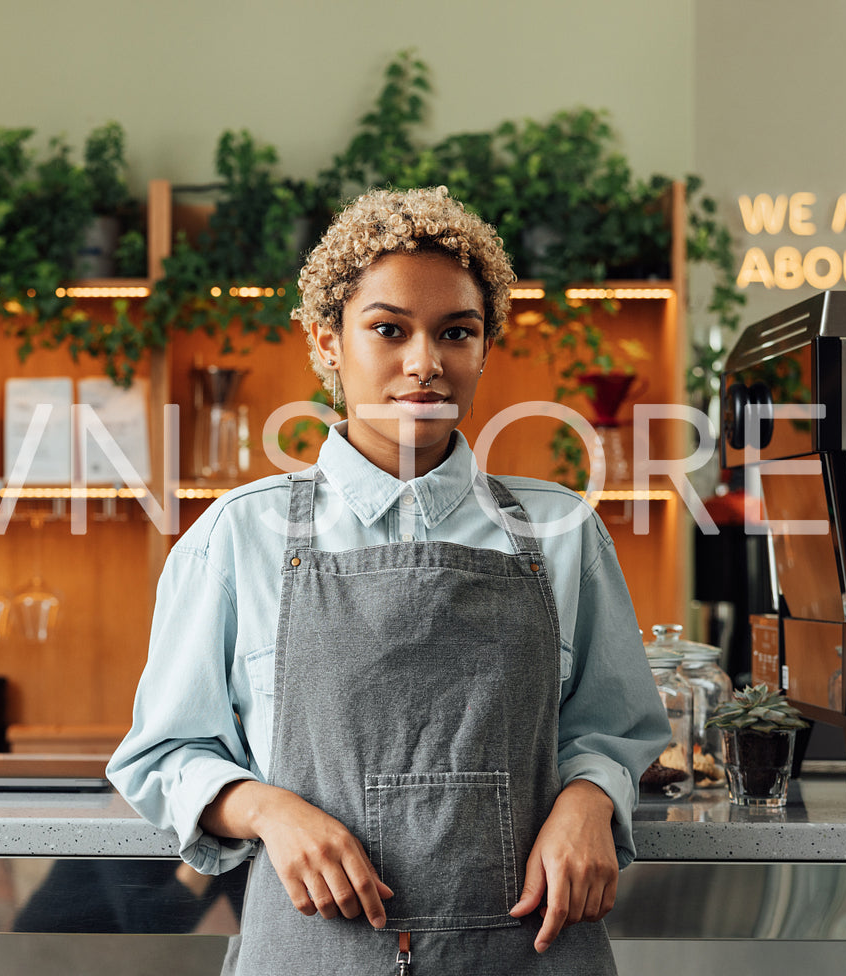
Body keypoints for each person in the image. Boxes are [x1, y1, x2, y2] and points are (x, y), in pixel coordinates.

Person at [108, 186, 668, 974]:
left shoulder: (563, 532)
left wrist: (589, 800)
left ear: (484, 347)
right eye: (387, 330)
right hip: (316, 950)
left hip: (528, 947)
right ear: (325, 342)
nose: (424, 364)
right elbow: (164, 754)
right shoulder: (238, 535)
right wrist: (270, 812)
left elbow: (615, 730)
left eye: (456, 333)